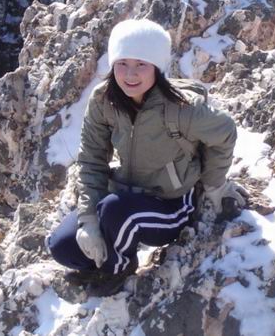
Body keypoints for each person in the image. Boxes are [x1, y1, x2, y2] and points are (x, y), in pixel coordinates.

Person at [48, 19, 247, 296]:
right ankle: (115, 244)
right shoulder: (104, 100)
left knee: (116, 212)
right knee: (63, 246)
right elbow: (92, 160)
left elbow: (225, 131)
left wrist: (214, 184)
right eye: (122, 63)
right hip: (126, 195)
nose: (130, 74)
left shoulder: (180, 108)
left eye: (141, 64)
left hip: (170, 205)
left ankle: (118, 270)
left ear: (157, 67)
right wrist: (89, 221)